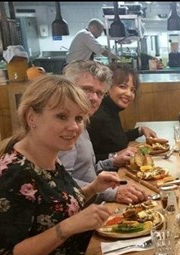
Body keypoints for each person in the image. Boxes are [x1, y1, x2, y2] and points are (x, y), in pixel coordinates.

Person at [0, 75, 120, 255]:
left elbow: (55, 206)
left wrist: (93, 188)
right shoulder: (13, 177)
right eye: (61, 116)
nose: (74, 126)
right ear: (31, 117)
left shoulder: (47, 155)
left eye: (79, 118)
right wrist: (67, 227)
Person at [59, 61, 147, 204]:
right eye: (87, 89)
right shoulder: (65, 130)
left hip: (93, 201)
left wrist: (112, 162)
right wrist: (111, 193)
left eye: (99, 93)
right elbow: (62, 183)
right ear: (68, 89)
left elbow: (85, 171)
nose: (94, 98)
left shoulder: (82, 123)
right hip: (80, 210)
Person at [87, 63, 157, 161]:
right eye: (123, 87)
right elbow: (89, 162)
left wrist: (139, 131)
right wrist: (115, 155)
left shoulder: (111, 111)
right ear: (107, 87)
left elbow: (117, 140)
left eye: (132, 90)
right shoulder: (97, 117)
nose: (129, 94)